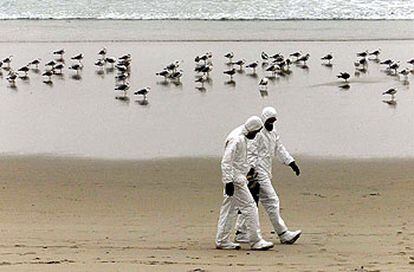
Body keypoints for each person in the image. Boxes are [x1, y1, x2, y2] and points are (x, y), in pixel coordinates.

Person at [235, 107, 302, 245]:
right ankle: (283, 233)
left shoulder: (273, 134)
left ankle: (241, 232)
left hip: (265, 171)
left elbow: (279, 148)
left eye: (274, 120)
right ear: (264, 119)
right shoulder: (258, 134)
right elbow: (252, 152)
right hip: (258, 172)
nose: (272, 123)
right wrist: (251, 172)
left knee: (251, 202)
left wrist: (291, 162)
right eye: (269, 120)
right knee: (272, 200)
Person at [215, 116, 274, 250]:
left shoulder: (241, 134)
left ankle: (222, 240)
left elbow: (238, 160)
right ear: (252, 129)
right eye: (257, 131)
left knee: (229, 209)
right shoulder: (237, 139)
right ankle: (256, 240)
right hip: (236, 179)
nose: (257, 134)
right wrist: (228, 181)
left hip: (236, 177)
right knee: (250, 206)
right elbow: (226, 161)